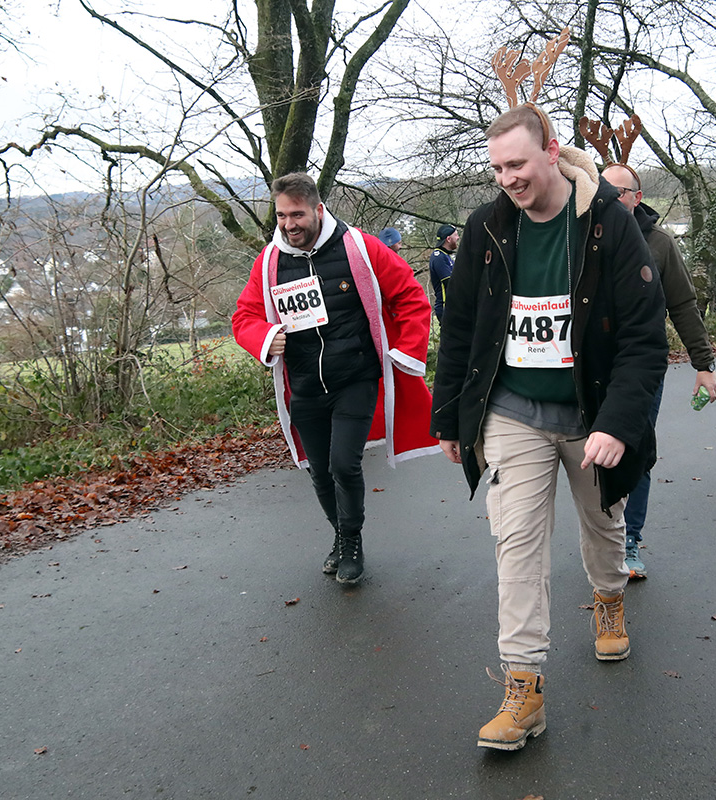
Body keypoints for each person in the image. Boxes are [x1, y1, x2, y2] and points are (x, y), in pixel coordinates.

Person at [430, 104, 668, 751]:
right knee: (517, 548)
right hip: (514, 414)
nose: (507, 178)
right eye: (497, 167)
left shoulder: (609, 227)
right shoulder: (485, 229)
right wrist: (448, 415)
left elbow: (645, 340)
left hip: (591, 415)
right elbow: (461, 332)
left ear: (552, 151)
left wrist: (619, 423)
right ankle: (524, 689)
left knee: (602, 525)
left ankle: (610, 596)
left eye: (517, 164)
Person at [233, 173, 438, 586]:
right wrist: (266, 337)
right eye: (281, 216)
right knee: (319, 470)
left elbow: (411, 297)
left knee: (345, 464)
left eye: (297, 214)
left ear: (318, 210)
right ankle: (340, 537)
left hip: (355, 377)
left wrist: (405, 353)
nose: (289, 224)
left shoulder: (360, 247)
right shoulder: (270, 261)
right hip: (305, 385)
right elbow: (244, 317)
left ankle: (353, 541)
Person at [601, 162, 716, 580]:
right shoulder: (583, 235)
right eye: (604, 189)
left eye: (621, 192)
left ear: (637, 196)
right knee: (593, 458)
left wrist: (703, 365)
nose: (613, 198)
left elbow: (683, 305)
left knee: (635, 454)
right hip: (593, 370)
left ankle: (628, 540)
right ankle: (603, 539)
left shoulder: (660, 244)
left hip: (643, 370)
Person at [429, 224, 459, 321]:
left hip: (454, 307)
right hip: (446, 308)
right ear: (448, 239)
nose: (458, 238)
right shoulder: (439, 257)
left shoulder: (447, 256)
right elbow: (450, 283)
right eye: (456, 235)